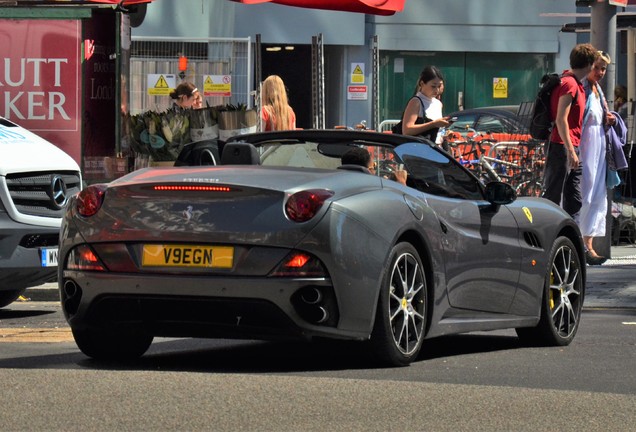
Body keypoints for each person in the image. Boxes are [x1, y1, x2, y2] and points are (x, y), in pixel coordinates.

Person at [541, 43, 598, 220]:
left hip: (569, 146)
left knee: (573, 195)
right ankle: (551, 234)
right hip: (562, 146)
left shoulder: (573, 83)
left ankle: (572, 235)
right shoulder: (570, 84)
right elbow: (561, 119)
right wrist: (571, 151)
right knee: (555, 193)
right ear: (589, 64)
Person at [579, 51, 616, 265]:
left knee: (597, 193)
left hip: (598, 146)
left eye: (604, 69)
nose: (601, 72)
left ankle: (589, 244)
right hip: (585, 145)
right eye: (598, 67)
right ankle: (581, 242)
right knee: (584, 190)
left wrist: (608, 119)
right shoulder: (582, 88)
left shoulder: (598, 90)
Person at [400, 66, 450, 141]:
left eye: (439, 86)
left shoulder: (438, 103)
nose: (437, 90)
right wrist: (433, 124)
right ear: (422, 83)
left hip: (437, 148)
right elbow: (407, 130)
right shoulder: (416, 102)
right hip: (420, 149)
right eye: (433, 86)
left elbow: (437, 132)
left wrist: (445, 133)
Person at [341, 147, 407, 185]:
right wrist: (401, 182)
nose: (375, 170)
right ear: (368, 170)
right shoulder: (372, 190)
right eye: (374, 166)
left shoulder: (340, 184)